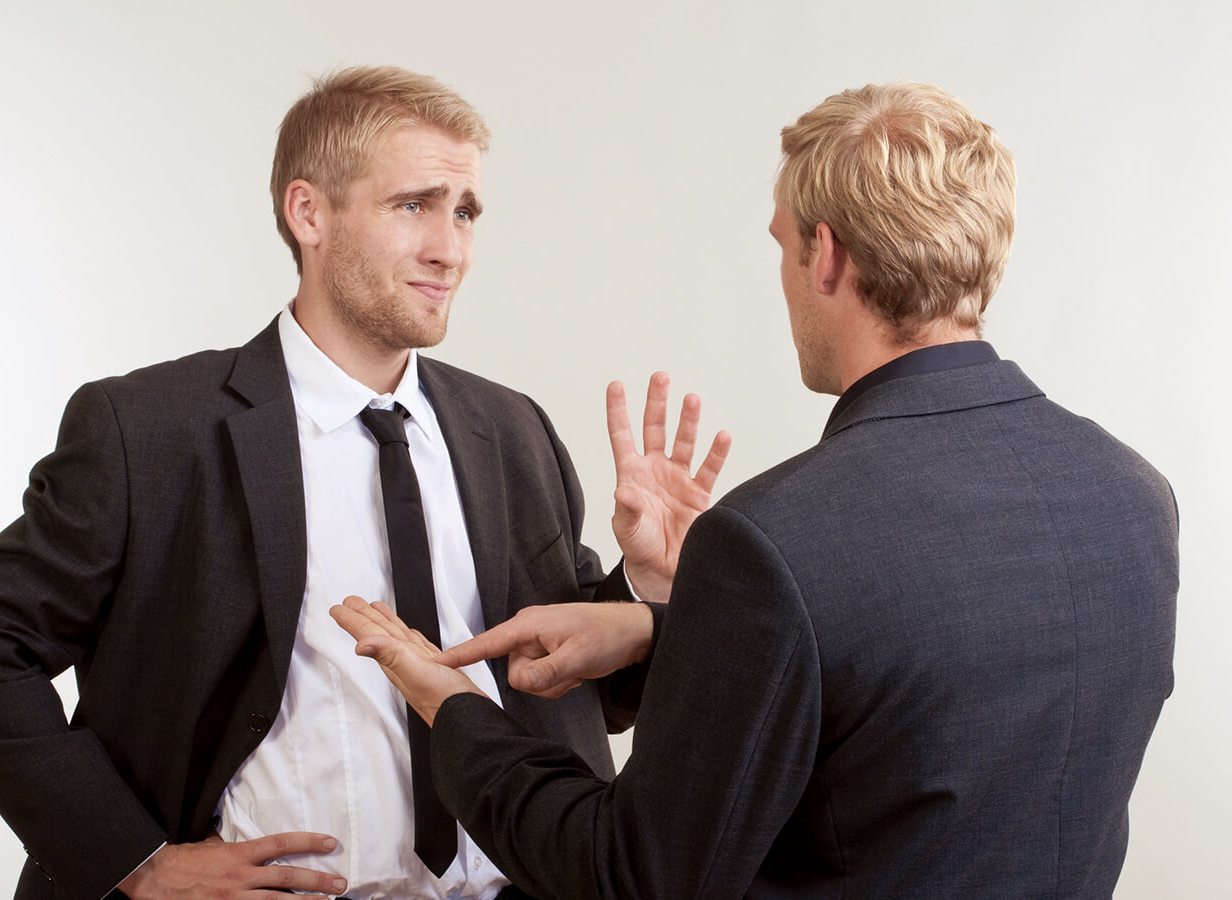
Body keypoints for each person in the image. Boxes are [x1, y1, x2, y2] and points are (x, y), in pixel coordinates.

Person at [332, 81, 1180, 898]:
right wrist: (658, 629)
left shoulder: (775, 541)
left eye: (782, 244)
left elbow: (634, 874)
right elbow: (928, 677)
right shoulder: (1136, 495)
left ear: (827, 256)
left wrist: (450, 706)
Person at [0, 66, 730, 900]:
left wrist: (646, 587)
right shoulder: (149, 433)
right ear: (310, 213)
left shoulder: (511, 430)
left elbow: (569, 693)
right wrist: (137, 863)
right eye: (414, 204)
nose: (450, 247)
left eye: (466, 210)